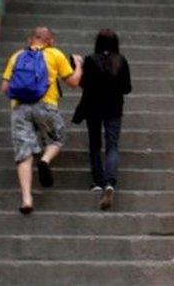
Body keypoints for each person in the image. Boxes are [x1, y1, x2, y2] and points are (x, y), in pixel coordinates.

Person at [1, 26, 82, 214]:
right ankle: (45, 159)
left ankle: (27, 199)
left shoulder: (17, 56)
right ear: (50, 41)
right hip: (46, 106)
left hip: (20, 108)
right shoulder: (54, 54)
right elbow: (74, 82)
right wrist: (78, 65)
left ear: (31, 39)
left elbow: (5, 88)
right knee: (58, 137)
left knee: (24, 153)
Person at [72, 29, 131, 211]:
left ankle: (98, 181)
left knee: (95, 144)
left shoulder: (91, 59)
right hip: (114, 109)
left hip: (93, 108)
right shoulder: (121, 61)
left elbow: (83, 83)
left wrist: (78, 65)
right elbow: (127, 88)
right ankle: (111, 182)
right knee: (112, 145)